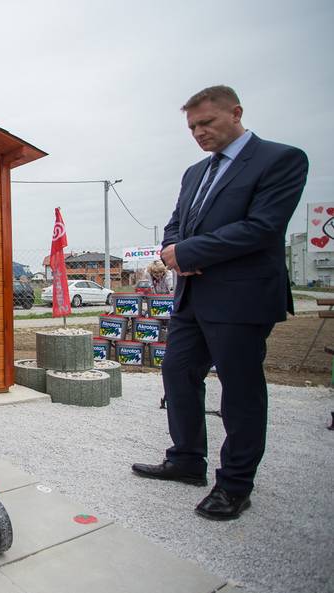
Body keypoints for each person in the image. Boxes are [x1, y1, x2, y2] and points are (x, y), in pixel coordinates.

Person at [131, 86, 308, 520]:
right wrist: (174, 251)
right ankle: (187, 459)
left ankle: (235, 484)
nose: (198, 133)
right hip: (192, 296)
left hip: (241, 299)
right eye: (192, 127)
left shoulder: (281, 160)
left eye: (206, 123)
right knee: (176, 373)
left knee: (240, 391)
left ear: (236, 113)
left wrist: (188, 255)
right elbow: (176, 224)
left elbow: (261, 228)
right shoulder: (194, 173)